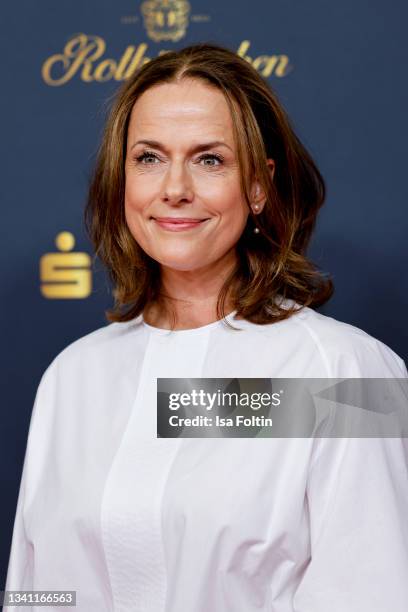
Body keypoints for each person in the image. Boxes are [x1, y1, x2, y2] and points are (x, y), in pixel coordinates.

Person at [4, 42, 408, 612]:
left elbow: (374, 593)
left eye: (209, 159)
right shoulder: (73, 376)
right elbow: (35, 592)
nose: (174, 188)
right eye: (148, 157)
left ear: (261, 185)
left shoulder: (350, 374)